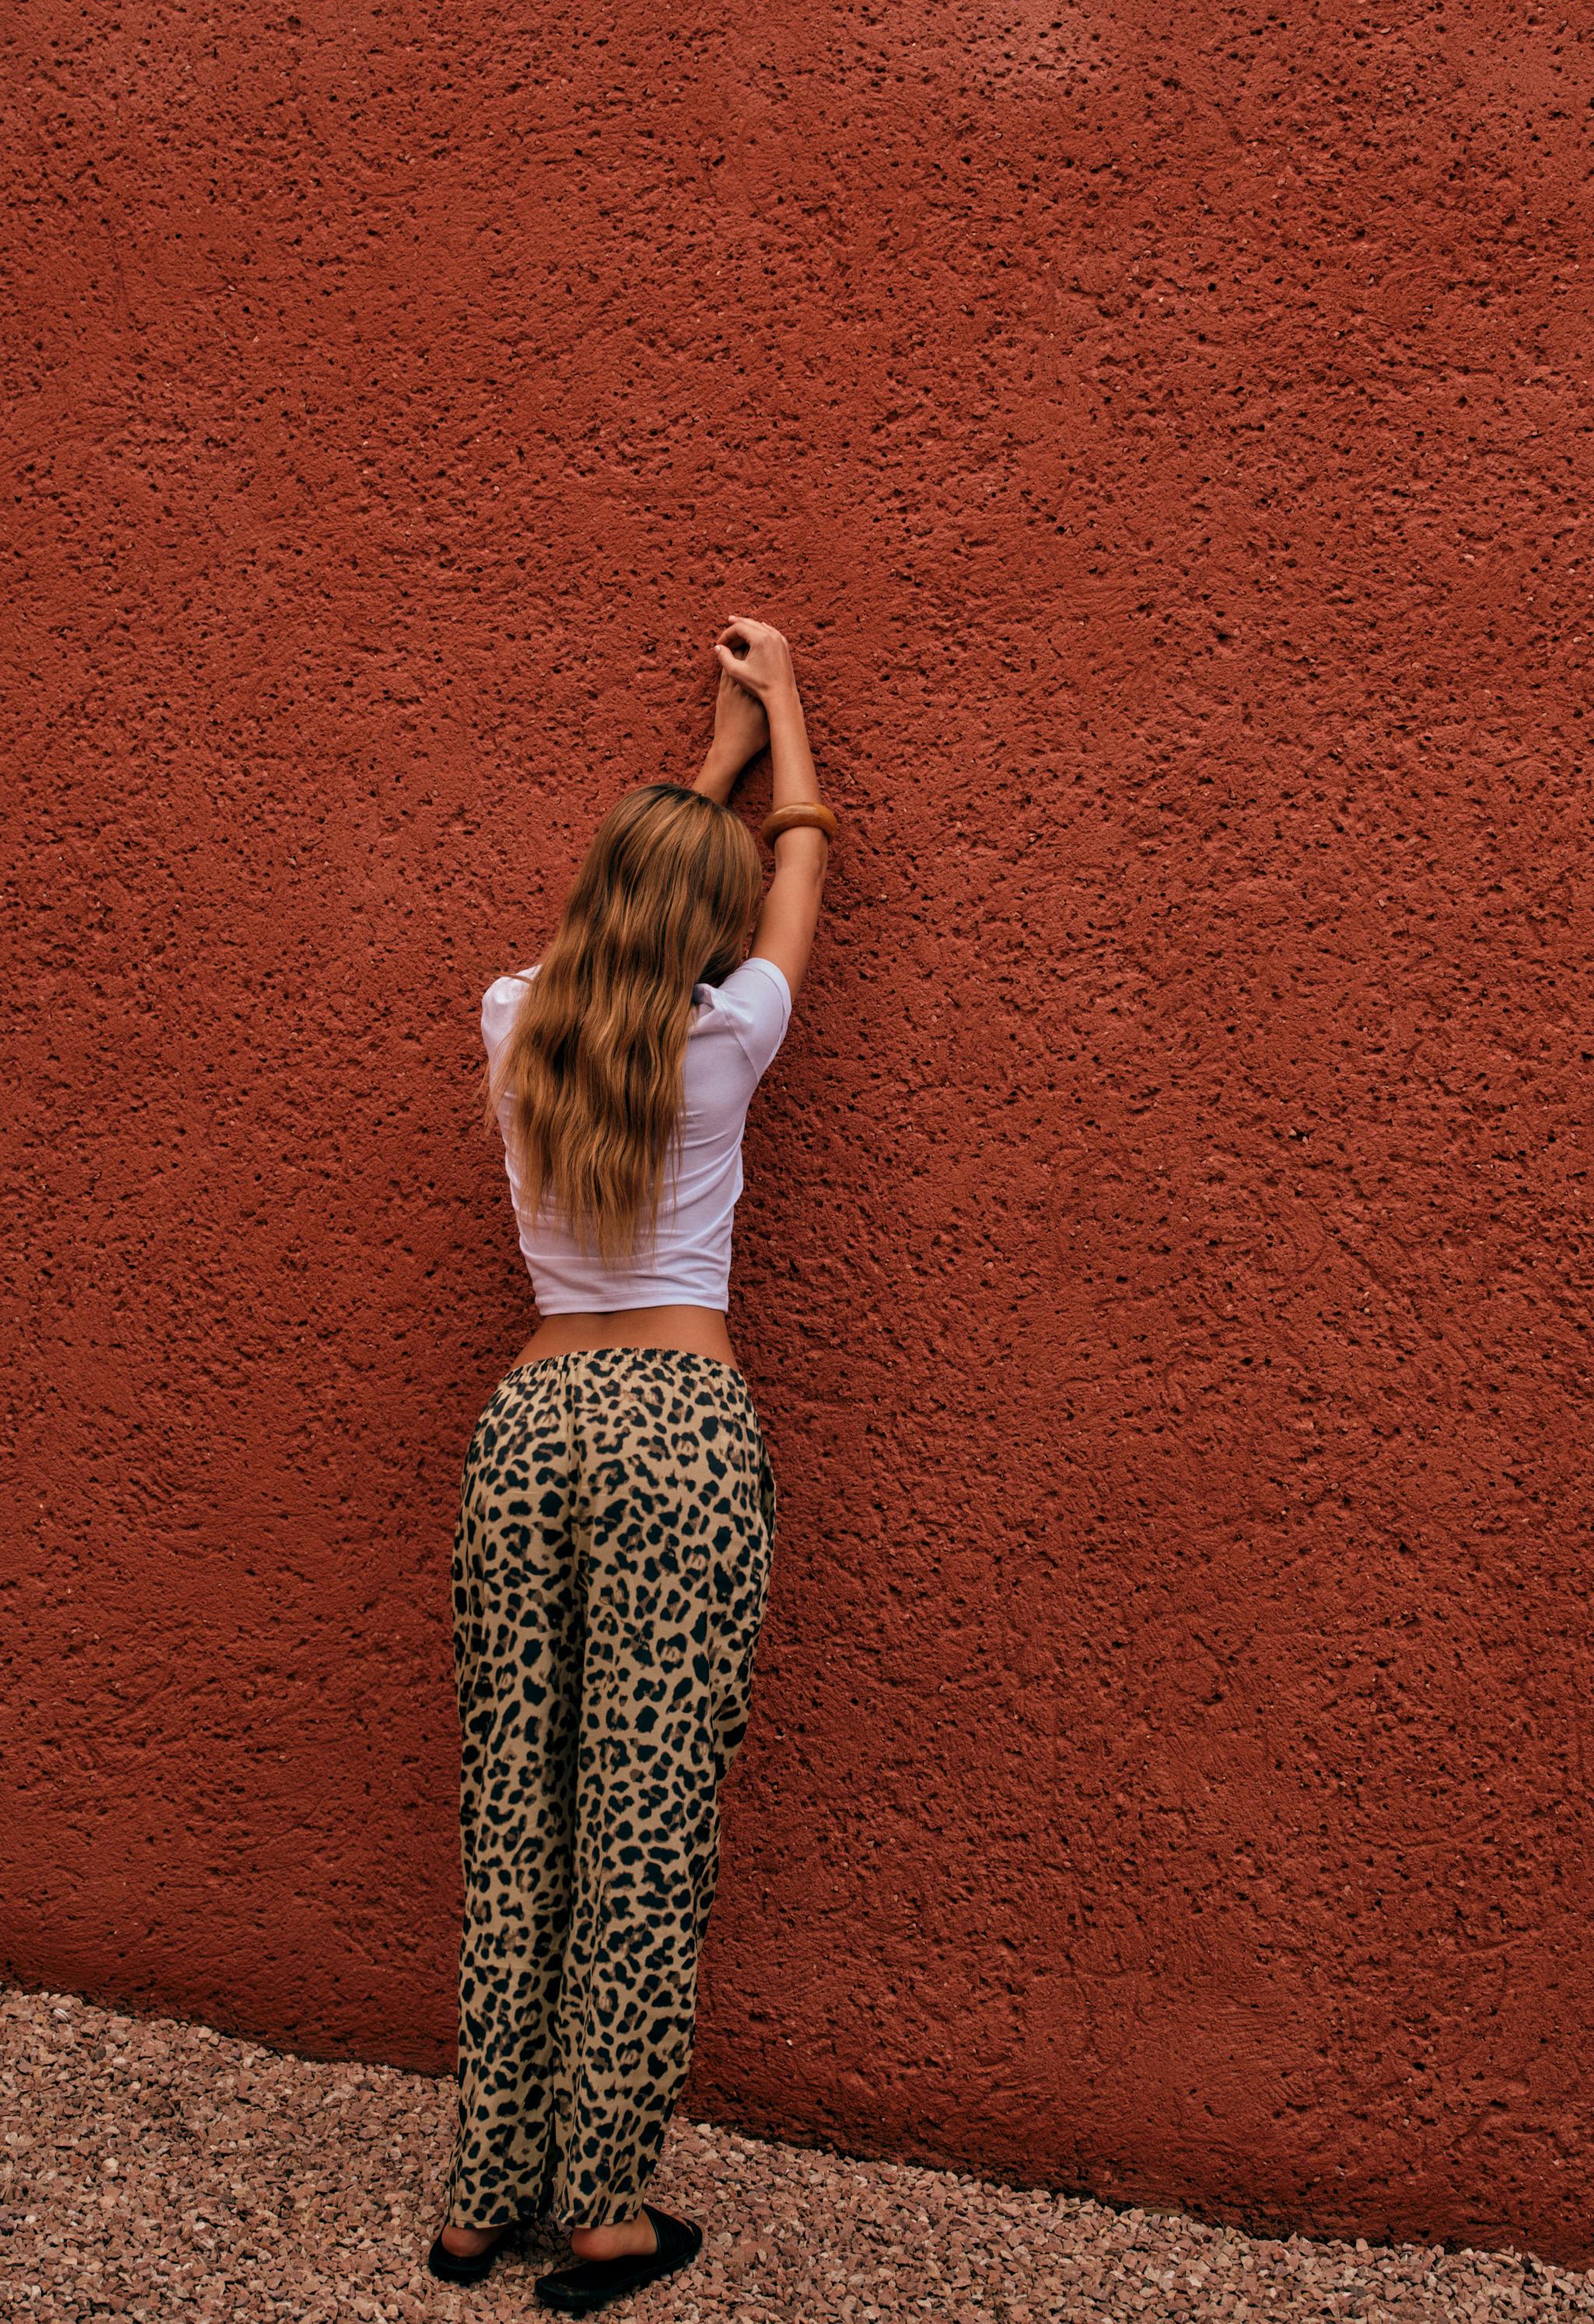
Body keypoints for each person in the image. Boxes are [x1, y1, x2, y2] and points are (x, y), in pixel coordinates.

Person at [426, 616, 834, 2315]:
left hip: (525, 1433)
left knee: (515, 1805)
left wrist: (696, 773)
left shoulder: (520, 1021)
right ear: (710, 929)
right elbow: (811, 859)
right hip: (674, 1434)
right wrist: (781, 717)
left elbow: (591, 932)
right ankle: (598, 2211)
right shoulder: (726, 1034)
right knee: (643, 1818)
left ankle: (475, 2201)